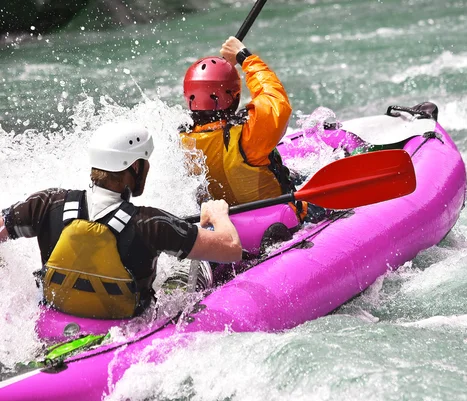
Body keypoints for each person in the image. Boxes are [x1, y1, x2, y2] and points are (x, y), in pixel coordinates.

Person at [0, 121, 242, 319]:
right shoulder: (150, 223)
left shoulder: (46, 203)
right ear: (135, 167)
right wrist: (218, 214)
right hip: (124, 331)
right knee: (196, 263)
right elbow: (232, 249)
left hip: (55, 320)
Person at [179, 36, 308, 220]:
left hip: (226, 225)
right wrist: (244, 56)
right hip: (277, 219)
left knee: (296, 174)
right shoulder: (248, 133)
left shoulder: (182, 140)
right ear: (235, 96)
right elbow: (274, 98)